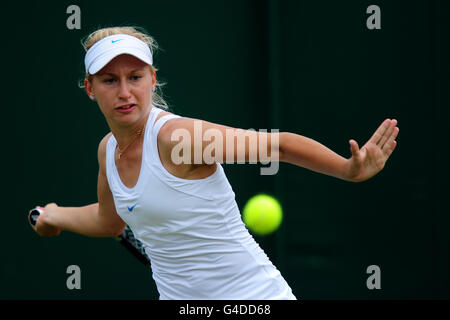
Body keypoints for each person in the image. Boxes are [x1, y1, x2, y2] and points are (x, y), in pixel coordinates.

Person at [31, 26, 399, 300]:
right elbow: (109, 220)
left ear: (152, 78)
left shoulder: (178, 139)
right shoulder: (107, 151)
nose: (125, 92)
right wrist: (55, 215)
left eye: (136, 77)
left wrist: (348, 169)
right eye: (110, 80)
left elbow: (280, 146)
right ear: (90, 88)